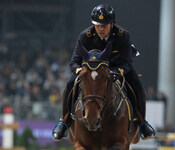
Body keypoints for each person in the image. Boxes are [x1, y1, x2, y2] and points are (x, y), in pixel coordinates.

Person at [52, 4, 155, 141]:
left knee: (137, 84)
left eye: (104, 25)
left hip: (117, 69)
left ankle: (143, 123)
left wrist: (116, 72)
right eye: (97, 25)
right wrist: (80, 71)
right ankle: (64, 122)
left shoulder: (123, 36)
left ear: (112, 24)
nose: (101, 28)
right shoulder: (85, 36)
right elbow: (74, 62)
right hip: (90, 72)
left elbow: (127, 62)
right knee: (70, 84)